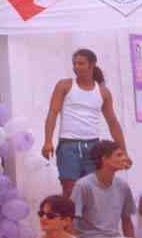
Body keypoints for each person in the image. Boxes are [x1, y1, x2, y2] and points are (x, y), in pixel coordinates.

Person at [42, 48, 131, 197]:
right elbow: (52, 113)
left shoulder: (103, 92)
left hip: (93, 146)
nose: (76, 66)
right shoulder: (65, 85)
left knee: (93, 192)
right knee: (70, 191)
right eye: (74, 63)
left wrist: (124, 151)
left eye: (81, 63)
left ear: (92, 65)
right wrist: (47, 141)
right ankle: (70, 220)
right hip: (68, 146)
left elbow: (113, 123)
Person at [71, 140, 142, 238]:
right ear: (104, 159)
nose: (125, 158)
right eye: (119, 155)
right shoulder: (83, 185)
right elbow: (70, 222)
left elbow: (126, 220)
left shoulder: (122, 186)